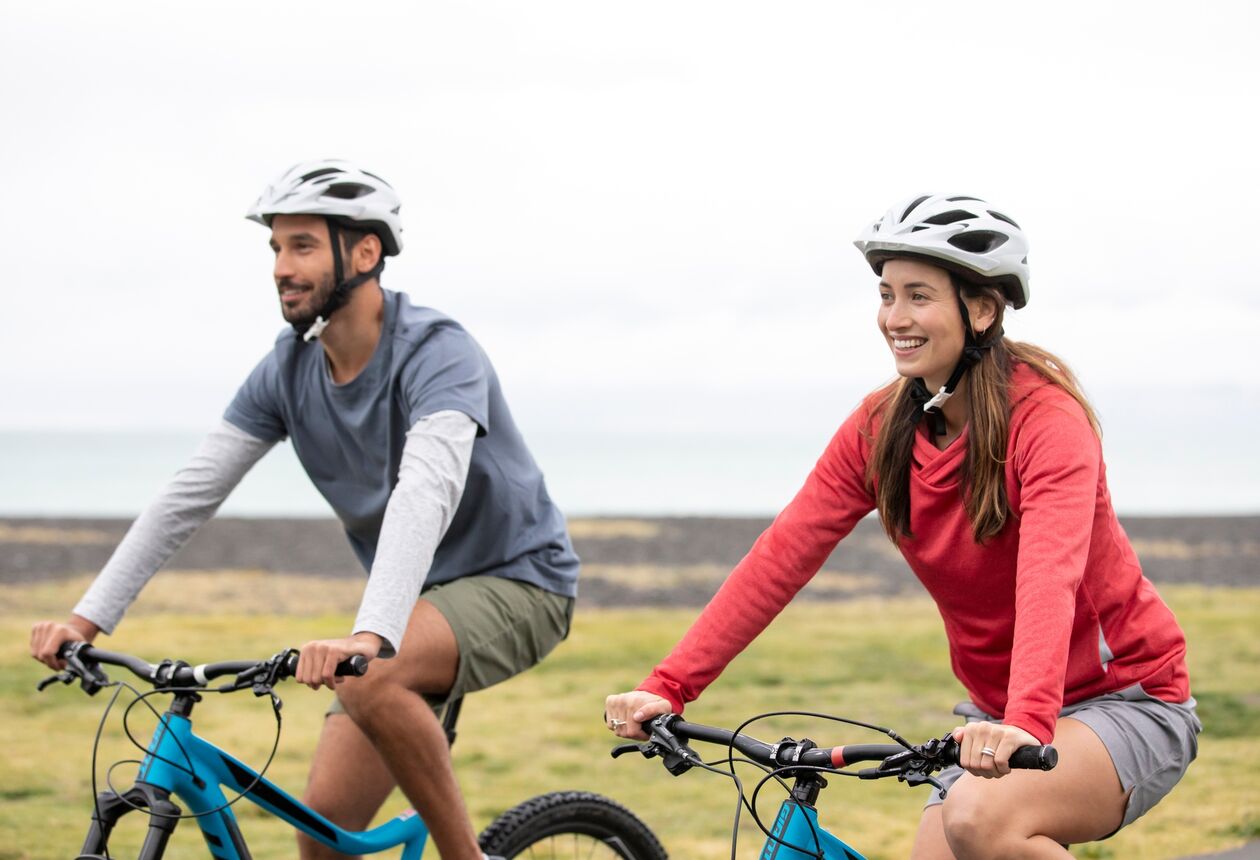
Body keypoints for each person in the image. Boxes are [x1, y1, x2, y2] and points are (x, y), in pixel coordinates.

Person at [605, 194, 1200, 858]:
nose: (895, 317)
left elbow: (1048, 578)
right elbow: (781, 558)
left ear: (982, 309)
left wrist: (1028, 721)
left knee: (979, 822)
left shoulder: (1047, 421)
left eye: (919, 296)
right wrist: (668, 685)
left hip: (1123, 700)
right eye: (887, 295)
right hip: (995, 719)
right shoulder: (880, 426)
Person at [30, 159, 579, 860]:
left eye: (303, 246)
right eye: (276, 248)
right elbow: (189, 495)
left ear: (365, 252)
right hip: (410, 604)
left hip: (519, 581)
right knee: (323, 839)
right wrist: (86, 619)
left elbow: (425, 489)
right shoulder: (287, 369)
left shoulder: (438, 352)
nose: (281, 268)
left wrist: (371, 636)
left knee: (373, 678)